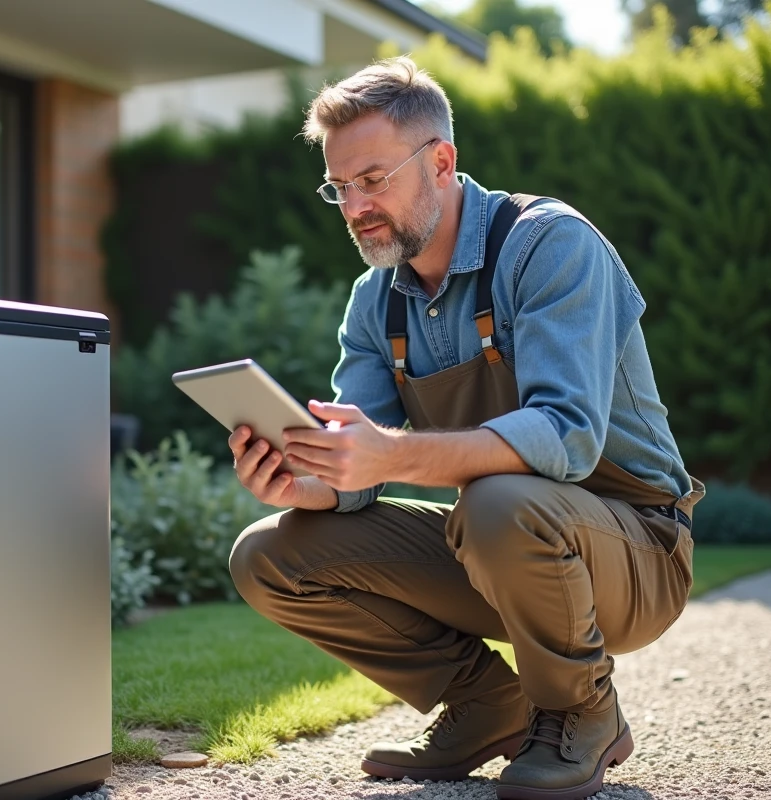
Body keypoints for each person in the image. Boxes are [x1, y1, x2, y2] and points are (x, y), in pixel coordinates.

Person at [225, 56, 704, 800]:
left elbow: (565, 438)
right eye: (338, 187)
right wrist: (307, 478)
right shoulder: (374, 301)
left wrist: (393, 454)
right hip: (501, 546)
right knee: (268, 556)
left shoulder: (551, 245)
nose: (354, 208)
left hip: (634, 551)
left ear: (441, 161)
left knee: (497, 502)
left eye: (373, 179)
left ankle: (582, 710)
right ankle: (487, 704)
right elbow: (361, 472)